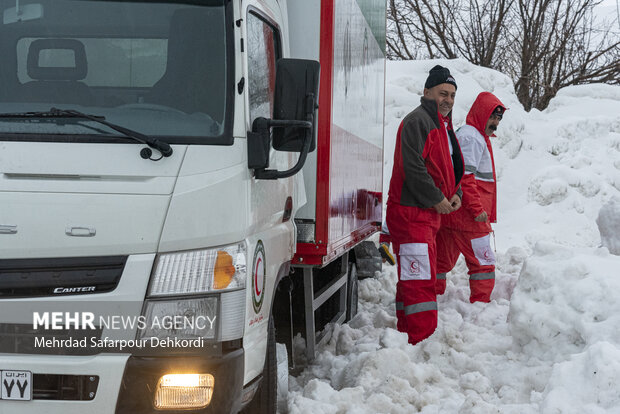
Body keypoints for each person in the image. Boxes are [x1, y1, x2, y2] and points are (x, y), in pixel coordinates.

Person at [386, 65, 464, 345]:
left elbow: (445, 168)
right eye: (443, 93)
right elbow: (413, 168)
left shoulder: (441, 126)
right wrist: (437, 199)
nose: (448, 100)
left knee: (414, 277)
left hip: (424, 215)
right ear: (427, 92)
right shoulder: (418, 121)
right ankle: (421, 341)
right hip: (411, 213)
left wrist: (456, 194)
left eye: (453, 95)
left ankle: (407, 336)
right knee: (420, 282)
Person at [435, 92, 506, 303]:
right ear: (482, 113)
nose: (495, 123)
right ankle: (481, 305)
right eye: (492, 117)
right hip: (469, 216)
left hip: (454, 213)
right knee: (484, 262)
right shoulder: (472, 137)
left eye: (498, 119)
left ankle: (432, 297)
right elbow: (465, 178)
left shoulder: (472, 135)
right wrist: (477, 210)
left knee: (441, 261)